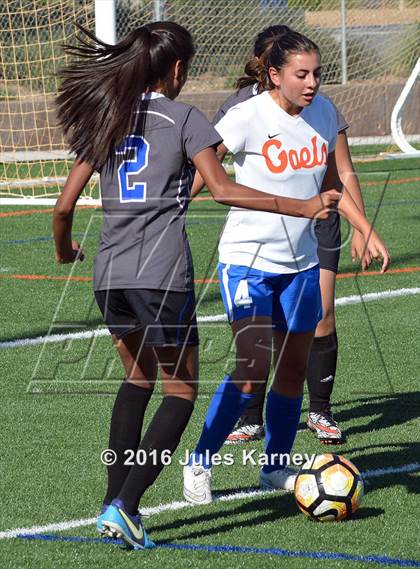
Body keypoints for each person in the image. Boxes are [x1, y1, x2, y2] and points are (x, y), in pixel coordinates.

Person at [53, 22, 340, 550]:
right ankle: (125, 504)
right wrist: (301, 206)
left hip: (107, 277)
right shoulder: (184, 119)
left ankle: (113, 506)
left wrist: (63, 248)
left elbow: (64, 205)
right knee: (180, 393)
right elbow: (226, 188)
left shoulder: (108, 117)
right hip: (161, 278)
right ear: (178, 69)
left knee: (136, 383)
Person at [183, 28, 389, 505]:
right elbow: (206, 173)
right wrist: (167, 214)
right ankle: (199, 462)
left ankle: (274, 467)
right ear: (274, 75)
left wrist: (364, 227)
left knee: (292, 369)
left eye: (317, 73)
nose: (312, 82)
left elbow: (333, 184)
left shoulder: (323, 112)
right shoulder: (245, 117)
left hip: (302, 264)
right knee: (251, 369)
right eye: (302, 74)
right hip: (247, 261)